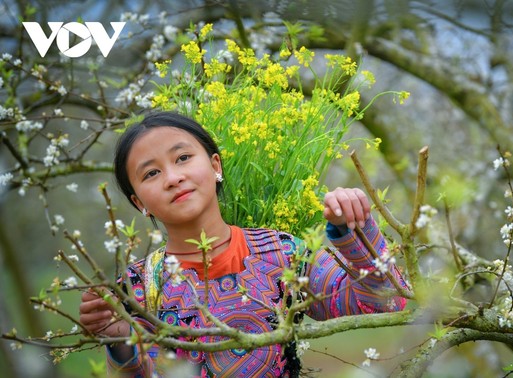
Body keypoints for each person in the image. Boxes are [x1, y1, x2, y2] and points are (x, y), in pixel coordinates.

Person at [78, 112, 407, 377]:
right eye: (151, 173)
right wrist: (120, 335)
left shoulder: (282, 253)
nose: (172, 177)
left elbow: (384, 302)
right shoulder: (138, 288)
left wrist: (354, 228)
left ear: (215, 165)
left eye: (182, 157)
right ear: (140, 204)